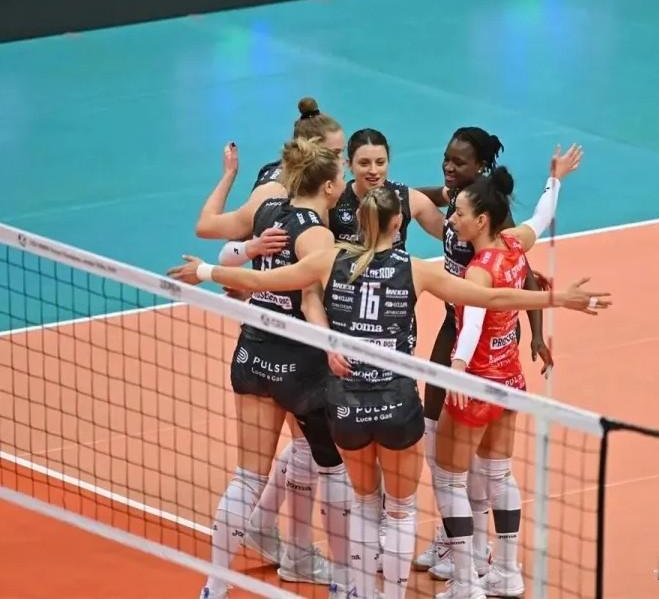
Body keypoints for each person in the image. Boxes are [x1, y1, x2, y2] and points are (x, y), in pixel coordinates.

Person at [168, 186, 610, 599]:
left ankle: (359, 592)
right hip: (397, 405)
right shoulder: (415, 270)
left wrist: (205, 270)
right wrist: (556, 300)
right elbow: (492, 299)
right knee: (400, 511)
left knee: (364, 505)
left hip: (347, 406)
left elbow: (264, 282)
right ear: (399, 223)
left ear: (359, 220)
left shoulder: (329, 260)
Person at [183, 136, 353, 599]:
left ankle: (214, 586)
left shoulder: (267, 211)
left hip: (253, 353)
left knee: (247, 477)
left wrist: (233, 278)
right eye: (341, 176)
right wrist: (331, 342)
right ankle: (344, 585)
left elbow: (233, 252)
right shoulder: (317, 234)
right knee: (332, 470)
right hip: (300, 365)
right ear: (329, 186)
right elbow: (308, 294)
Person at [432, 146, 585, 599]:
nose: (453, 219)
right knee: (498, 476)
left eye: (460, 213)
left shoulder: (479, 272)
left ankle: (465, 583)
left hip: (476, 385)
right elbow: (542, 216)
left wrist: (457, 369)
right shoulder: (515, 244)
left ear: (481, 220)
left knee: (448, 479)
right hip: (510, 382)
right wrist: (555, 179)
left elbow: (473, 323)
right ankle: (506, 571)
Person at [415, 127, 555, 573]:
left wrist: (535, 334)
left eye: (459, 162)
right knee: (435, 431)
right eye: (446, 158)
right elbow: (541, 218)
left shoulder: (491, 222)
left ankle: (472, 550)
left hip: (475, 342)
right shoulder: (457, 201)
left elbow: (520, 278)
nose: (448, 167)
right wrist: (395, 192)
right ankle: (456, 539)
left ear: (481, 168)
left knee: (466, 461)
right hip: (455, 327)